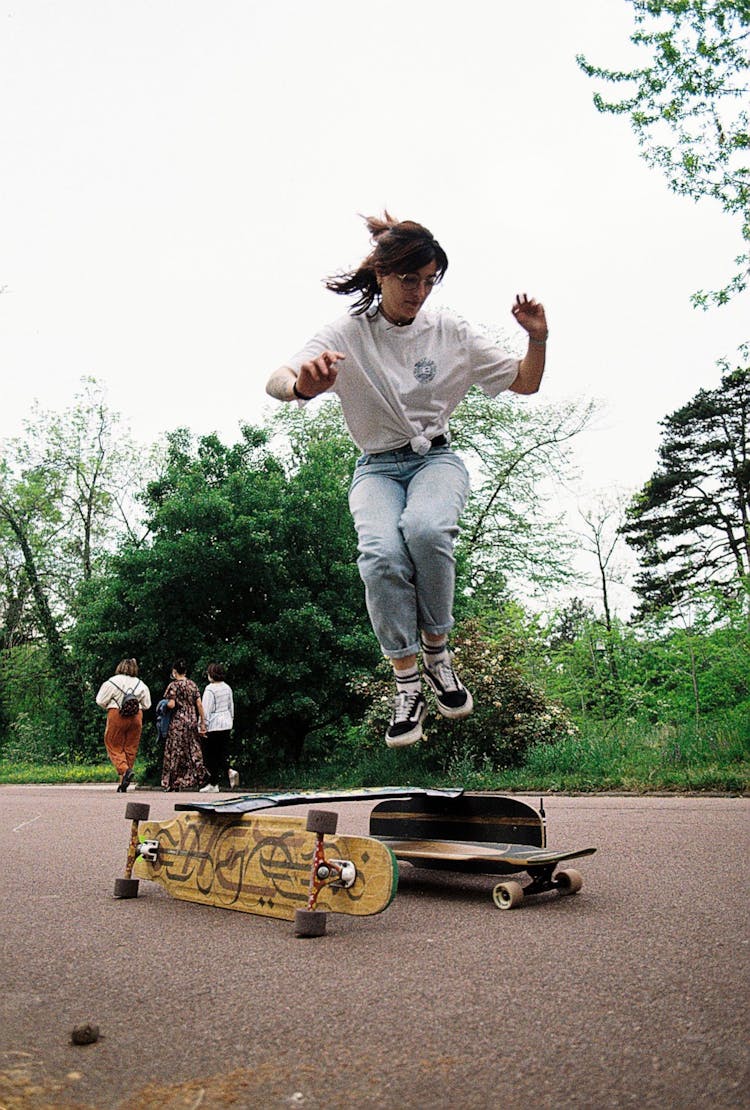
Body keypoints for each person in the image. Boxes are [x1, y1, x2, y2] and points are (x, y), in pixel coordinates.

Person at [266, 212, 548, 748]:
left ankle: (438, 655)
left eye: (427, 281)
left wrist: (538, 338)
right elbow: (275, 379)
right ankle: (406, 682)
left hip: (435, 461)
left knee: (426, 529)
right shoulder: (346, 334)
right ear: (380, 275)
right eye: (407, 280)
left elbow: (526, 382)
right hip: (375, 467)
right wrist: (302, 386)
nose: (418, 292)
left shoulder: (451, 332)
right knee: (379, 554)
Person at [96, 658, 151, 791]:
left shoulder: (112, 682)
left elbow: (100, 700)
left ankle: (125, 771)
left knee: (113, 744)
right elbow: (147, 705)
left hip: (117, 713)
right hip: (136, 716)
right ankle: (123, 782)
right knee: (130, 747)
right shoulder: (141, 684)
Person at [160, 660, 209, 791]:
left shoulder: (173, 686)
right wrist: (202, 721)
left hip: (177, 722)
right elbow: (199, 704)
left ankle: (172, 782)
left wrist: (163, 705)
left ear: (174, 672)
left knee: (175, 751)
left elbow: (171, 704)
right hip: (192, 720)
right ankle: (198, 777)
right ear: (185, 671)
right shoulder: (193, 685)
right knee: (192, 749)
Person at [199, 663, 238, 792]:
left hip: (214, 724)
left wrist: (203, 725)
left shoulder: (210, 689)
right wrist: (231, 719)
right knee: (222, 752)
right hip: (226, 723)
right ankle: (228, 771)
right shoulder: (227, 688)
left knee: (210, 755)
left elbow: (206, 709)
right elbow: (230, 706)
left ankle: (214, 782)